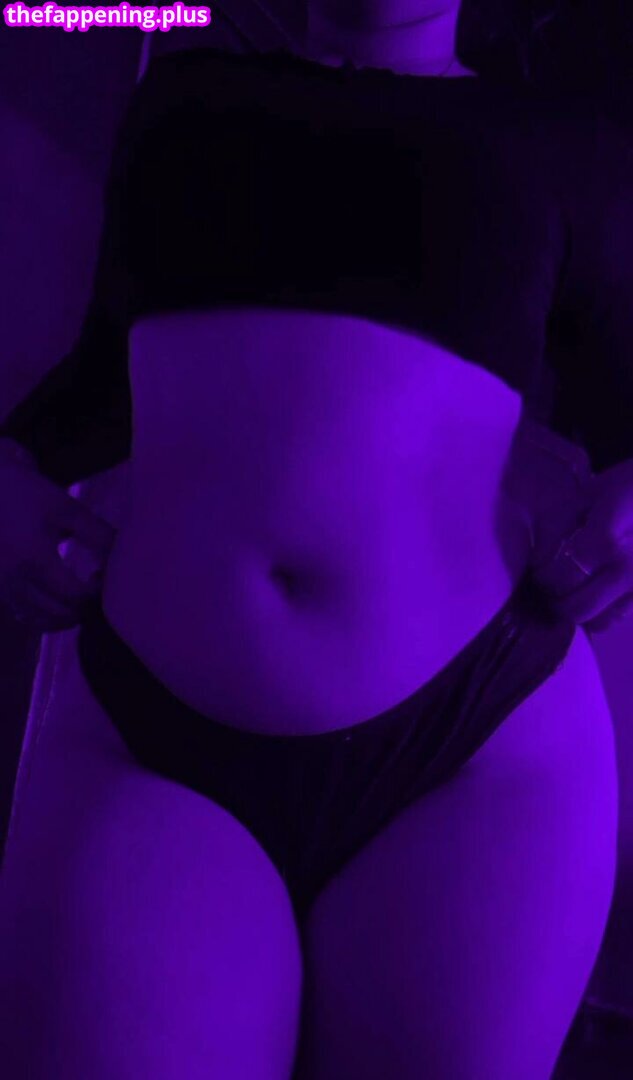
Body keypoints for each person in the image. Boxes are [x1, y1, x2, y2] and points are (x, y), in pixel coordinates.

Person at [0, 3, 619, 1077]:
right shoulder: (185, 100)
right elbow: (100, 380)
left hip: (477, 752)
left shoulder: (560, 141)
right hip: (153, 736)